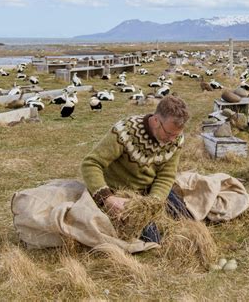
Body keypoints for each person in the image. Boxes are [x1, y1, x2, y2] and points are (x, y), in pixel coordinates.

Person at [81, 95, 193, 243]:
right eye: (169, 134)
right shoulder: (125, 131)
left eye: (176, 135)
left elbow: (166, 175)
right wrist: (107, 198)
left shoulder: (176, 139)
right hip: (119, 192)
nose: (172, 140)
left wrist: (153, 202)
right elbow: (91, 164)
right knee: (153, 240)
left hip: (147, 191)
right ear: (155, 121)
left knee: (187, 221)